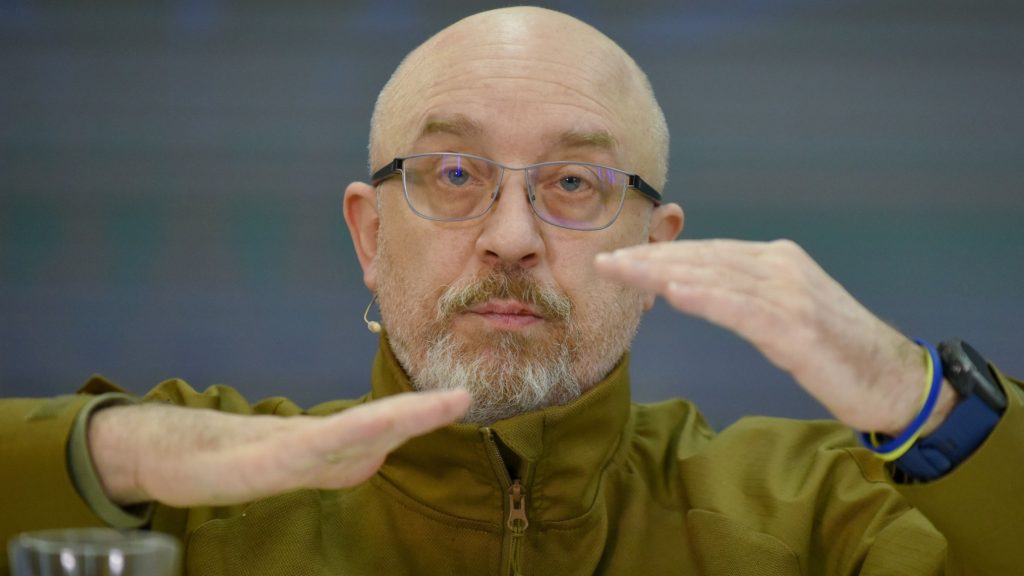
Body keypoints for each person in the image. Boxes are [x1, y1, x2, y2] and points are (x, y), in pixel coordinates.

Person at [1, 6, 1020, 574]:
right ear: (369, 234)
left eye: (574, 183)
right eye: (454, 173)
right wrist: (115, 454)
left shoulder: (820, 514)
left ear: (656, 245)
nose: (512, 237)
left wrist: (922, 398)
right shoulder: (189, 503)